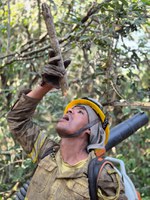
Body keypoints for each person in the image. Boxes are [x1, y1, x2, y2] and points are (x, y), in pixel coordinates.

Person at [7, 50, 127, 200]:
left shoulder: (101, 175)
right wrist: (46, 85)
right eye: (70, 108)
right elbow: (17, 119)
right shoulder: (45, 152)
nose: (69, 110)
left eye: (80, 112)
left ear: (90, 130)